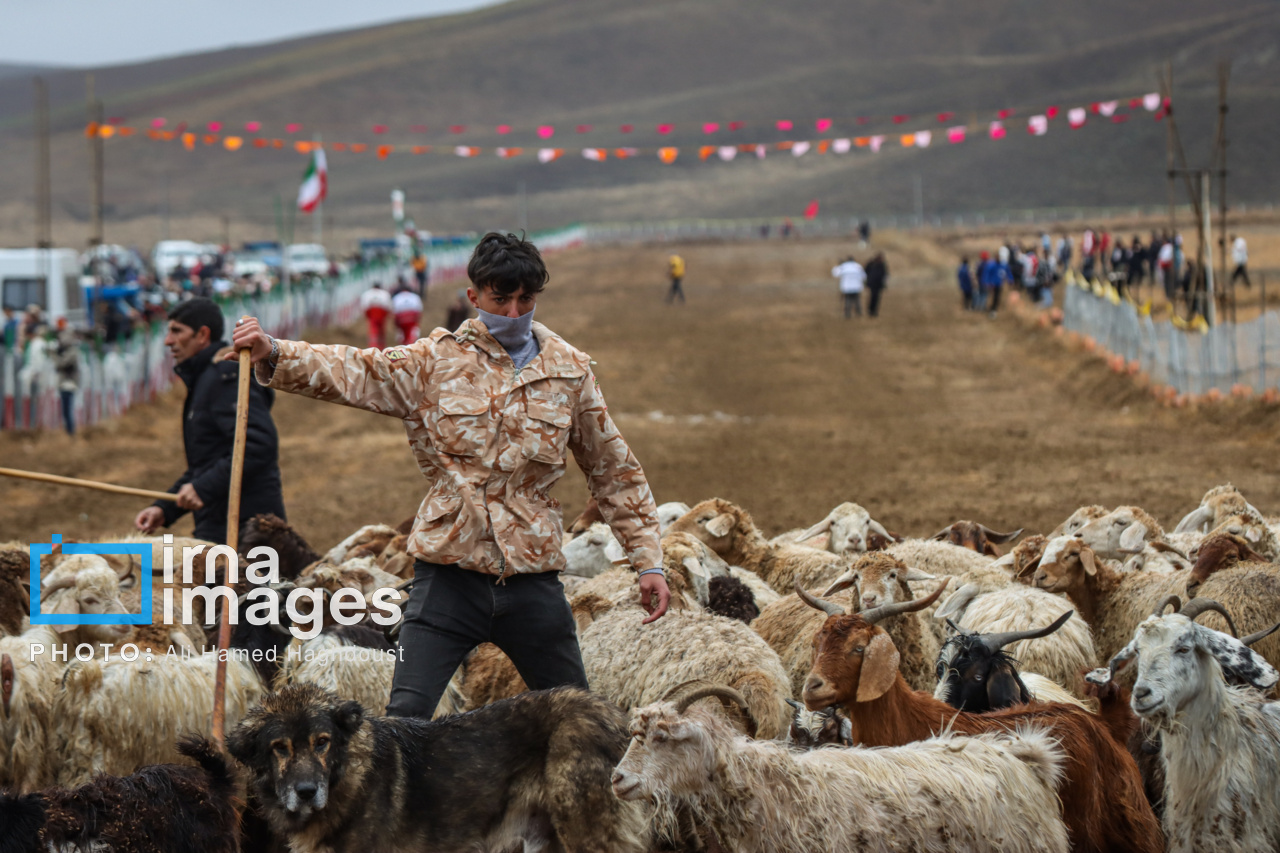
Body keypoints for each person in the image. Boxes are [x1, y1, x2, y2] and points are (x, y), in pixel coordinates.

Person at [229, 232, 670, 720]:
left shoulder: (570, 372)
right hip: (448, 576)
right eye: (500, 298)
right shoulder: (432, 362)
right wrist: (273, 350)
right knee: (405, 721)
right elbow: (355, 370)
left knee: (582, 720)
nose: (513, 310)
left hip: (533, 580)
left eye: (525, 299)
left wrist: (648, 561)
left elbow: (615, 470)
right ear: (474, 297)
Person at [134, 298, 285, 544]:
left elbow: (257, 444)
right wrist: (164, 508)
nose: (167, 341)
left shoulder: (225, 377)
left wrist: (203, 488)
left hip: (249, 533)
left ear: (203, 334)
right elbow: (206, 464)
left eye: (176, 331)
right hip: (219, 526)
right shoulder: (206, 379)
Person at [54, 318, 79, 437]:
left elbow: (62, 364)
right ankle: (69, 432)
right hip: (63, 383)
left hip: (69, 383)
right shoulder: (64, 350)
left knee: (68, 410)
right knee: (64, 411)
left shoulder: (72, 351)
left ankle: (71, 433)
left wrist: (53, 355)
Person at [360, 282, 393, 348]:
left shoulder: (367, 293)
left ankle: (373, 346)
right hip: (382, 312)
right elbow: (388, 305)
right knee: (382, 330)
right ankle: (381, 346)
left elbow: (364, 306)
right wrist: (389, 314)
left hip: (372, 312)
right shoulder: (385, 293)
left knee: (373, 329)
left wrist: (365, 315)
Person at [865, 253, 888, 318]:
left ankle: (873, 310)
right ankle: (871, 310)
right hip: (873, 284)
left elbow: (884, 274)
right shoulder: (872, 264)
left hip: (877, 284)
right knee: (873, 297)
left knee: (876, 298)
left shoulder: (881, 265)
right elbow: (866, 271)